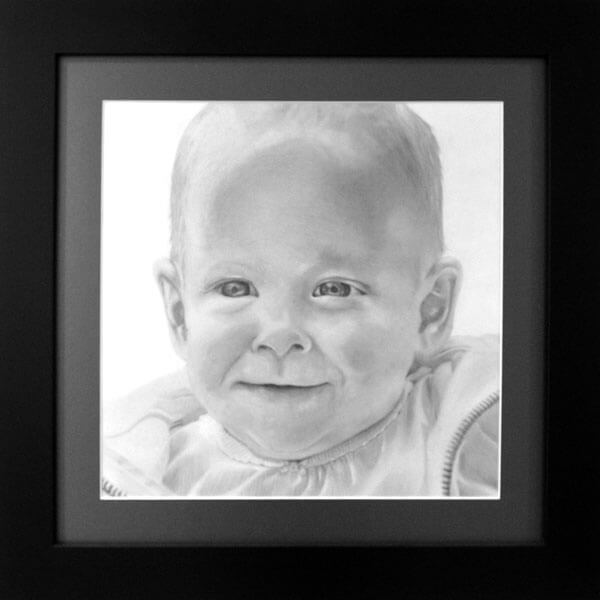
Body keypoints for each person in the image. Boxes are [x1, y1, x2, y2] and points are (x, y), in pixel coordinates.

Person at [102, 102, 499, 498]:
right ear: (179, 315)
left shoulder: (481, 445)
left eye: (334, 289)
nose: (279, 335)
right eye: (236, 288)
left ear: (430, 310)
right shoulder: (137, 477)